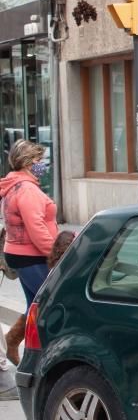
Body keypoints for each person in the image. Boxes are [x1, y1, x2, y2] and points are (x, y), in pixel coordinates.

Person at [1, 141, 57, 368]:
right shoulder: (27, 190)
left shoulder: (15, 184)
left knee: (35, 305)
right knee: (50, 305)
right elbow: (37, 229)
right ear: (27, 162)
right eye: (37, 160)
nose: (41, 164)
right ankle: (40, 359)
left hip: (20, 254)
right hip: (31, 256)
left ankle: (18, 348)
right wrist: (57, 256)